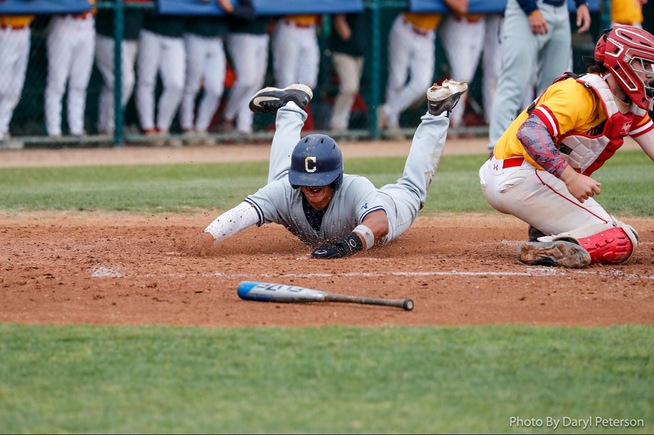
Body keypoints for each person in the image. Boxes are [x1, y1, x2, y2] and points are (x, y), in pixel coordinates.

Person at [177, 79, 468, 258]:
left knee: (411, 191)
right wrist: (204, 240)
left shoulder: (356, 188)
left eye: (320, 180)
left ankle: (437, 112)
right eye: (305, 179)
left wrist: (349, 244)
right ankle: (292, 104)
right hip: (294, 191)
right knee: (278, 181)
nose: (312, 186)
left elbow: (378, 223)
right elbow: (243, 213)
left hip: (383, 207)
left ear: (336, 179)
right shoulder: (289, 187)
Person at [479, 25, 654, 268]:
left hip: (528, 178)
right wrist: (570, 178)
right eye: (642, 64)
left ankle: (545, 237)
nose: (649, 73)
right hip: (517, 175)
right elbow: (530, 132)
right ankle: (548, 244)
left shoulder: (630, 106)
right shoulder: (580, 93)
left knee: (611, 235)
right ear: (620, 62)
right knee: (620, 239)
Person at [487, 0, 592, 152]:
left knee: (556, 88)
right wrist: (531, 9)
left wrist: (581, 3)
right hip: (525, 11)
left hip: (561, 10)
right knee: (513, 84)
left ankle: (545, 148)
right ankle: (496, 151)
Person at [377, 5, 465, 138]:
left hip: (427, 35)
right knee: (397, 79)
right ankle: (391, 124)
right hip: (406, 28)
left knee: (422, 84)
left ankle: (386, 112)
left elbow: (462, 7)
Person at [180, 0, 254, 145]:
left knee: (215, 88)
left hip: (217, 39)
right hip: (195, 35)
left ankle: (201, 128)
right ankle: (187, 128)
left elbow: (247, 10)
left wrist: (229, 7)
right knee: (192, 86)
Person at [44, 2, 96, 137]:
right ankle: (54, 131)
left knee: (80, 84)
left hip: (87, 24)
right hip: (64, 23)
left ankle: (76, 129)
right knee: (57, 83)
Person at [94, 0, 146, 135]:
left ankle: (107, 127)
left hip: (132, 33)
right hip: (108, 34)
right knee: (124, 81)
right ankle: (109, 127)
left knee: (116, 84)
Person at [135, 10, 186, 146]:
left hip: (176, 33)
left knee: (176, 84)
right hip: (150, 30)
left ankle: (162, 128)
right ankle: (148, 128)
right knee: (146, 81)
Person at [220, 12, 270, 135]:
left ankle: (244, 125)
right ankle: (227, 117)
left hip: (261, 33)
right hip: (241, 32)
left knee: (256, 82)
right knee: (247, 80)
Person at [271, 14, 322, 131]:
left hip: (309, 29)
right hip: (289, 26)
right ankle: (283, 124)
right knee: (286, 81)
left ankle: (301, 122)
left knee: (308, 81)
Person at [328, 12, 368, 132]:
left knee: (352, 90)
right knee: (350, 87)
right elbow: (338, 19)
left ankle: (342, 126)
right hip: (343, 50)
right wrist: (350, 38)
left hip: (358, 51)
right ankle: (336, 124)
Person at [0, 12, 34, 147]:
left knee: (15, 89)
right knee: (2, 86)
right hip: (5, 31)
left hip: (24, 31)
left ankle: (2, 129)